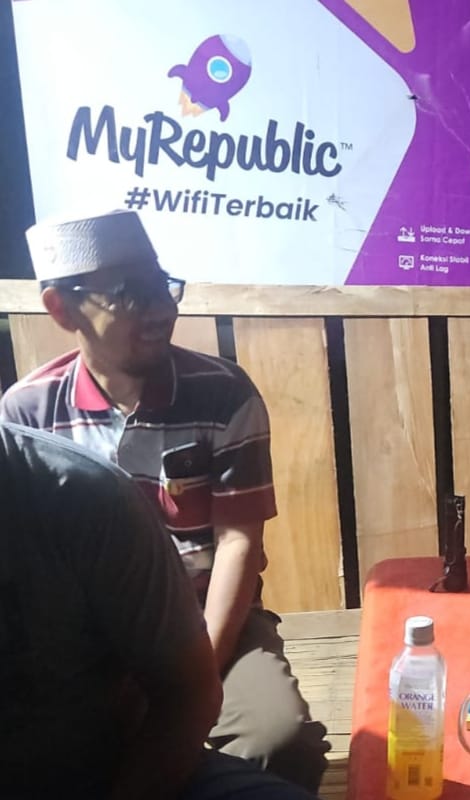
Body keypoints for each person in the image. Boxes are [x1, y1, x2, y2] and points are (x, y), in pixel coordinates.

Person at [0, 210, 327, 792]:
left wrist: (194, 674)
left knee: (274, 741)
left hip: (211, 622)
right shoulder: (27, 414)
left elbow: (238, 543)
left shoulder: (223, 394)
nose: (158, 309)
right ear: (62, 308)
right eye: (129, 293)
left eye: (161, 285)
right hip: (84, 642)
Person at [0, 422, 317, 800]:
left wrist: (194, 657)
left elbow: (188, 691)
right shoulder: (32, 403)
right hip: (162, 634)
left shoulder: (83, 493)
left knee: (276, 735)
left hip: (118, 752)